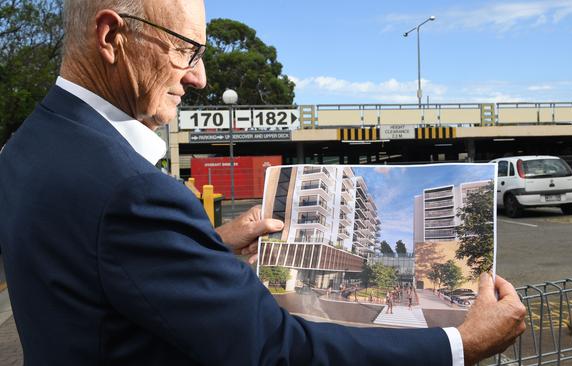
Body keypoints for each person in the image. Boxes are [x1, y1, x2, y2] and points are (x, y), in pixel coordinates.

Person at [0, 1, 527, 365]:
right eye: (186, 49)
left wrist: (206, 249)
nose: (199, 77)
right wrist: (461, 344)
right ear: (112, 36)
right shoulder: (131, 190)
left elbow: (100, 272)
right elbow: (277, 352)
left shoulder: (28, 148)